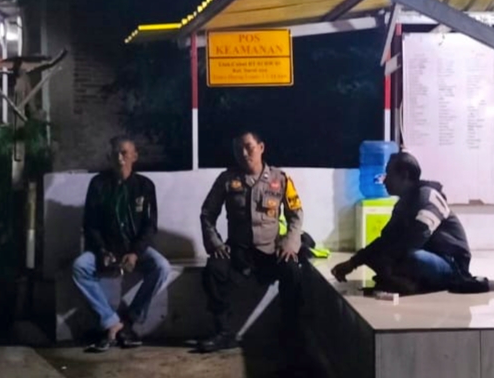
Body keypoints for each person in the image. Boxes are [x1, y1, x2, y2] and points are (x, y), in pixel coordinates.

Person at [197, 130, 305, 353]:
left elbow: (296, 214)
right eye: (238, 149)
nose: (244, 153)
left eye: (249, 147)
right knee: (213, 270)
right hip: (238, 252)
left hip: (269, 252)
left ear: (261, 148)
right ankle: (223, 333)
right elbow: (207, 213)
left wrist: (289, 244)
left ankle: (290, 332)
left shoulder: (280, 179)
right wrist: (215, 244)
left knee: (293, 271)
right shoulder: (227, 179)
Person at [72, 136, 171, 352]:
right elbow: (90, 224)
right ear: (109, 157)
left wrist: (135, 252)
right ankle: (111, 322)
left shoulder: (145, 186)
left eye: (124, 153)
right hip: (106, 249)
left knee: (162, 267)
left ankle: (130, 319)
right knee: (80, 266)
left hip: (134, 250)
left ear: (134, 156)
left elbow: (150, 226)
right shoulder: (98, 184)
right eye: (116, 153)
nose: (120, 158)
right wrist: (101, 251)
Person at [331, 151, 473, 294]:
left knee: (409, 256)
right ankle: (402, 280)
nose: (384, 181)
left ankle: (406, 282)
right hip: (421, 255)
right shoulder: (403, 203)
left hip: (451, 263)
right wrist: (353, 263)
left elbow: (417, 237)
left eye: (389, 174)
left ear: (404, 175)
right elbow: (385, 239)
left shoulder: (429, 197)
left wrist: (387, 259)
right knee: (376, 253)